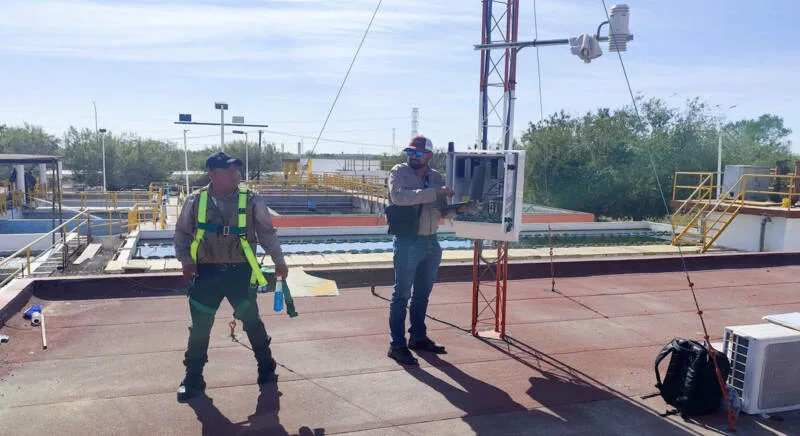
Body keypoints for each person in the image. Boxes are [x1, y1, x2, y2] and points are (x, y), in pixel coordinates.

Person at [174, 151, 289, 402]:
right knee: (200, 327)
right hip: (206, 273)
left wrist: (279, 261)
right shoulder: (195, 200)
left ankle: (266, 367)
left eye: (236, 169)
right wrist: (186, 261)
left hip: (240, 272)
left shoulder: (252, 200)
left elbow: (267, 232)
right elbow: (182, 233)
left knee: (252, 321)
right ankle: (193, 377)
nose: (235, 174)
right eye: (228, 170)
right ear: (212, 174)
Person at [386, 135, 476, 365]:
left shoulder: (436, 177)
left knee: (422, 294)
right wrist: (435, 192)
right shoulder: (399, 172)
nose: (413, 156)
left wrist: (462, 209)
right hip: (407, 241)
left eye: (418, 153)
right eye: (410, 152)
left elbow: (443, 211)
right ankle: (397, 345)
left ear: (429, 155)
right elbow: (399, 197)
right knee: (401, 295)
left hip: (431, 242)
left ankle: (418, 336)